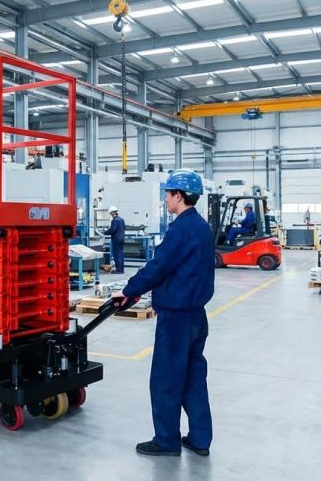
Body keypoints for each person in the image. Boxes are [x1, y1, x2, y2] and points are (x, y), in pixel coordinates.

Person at [111, 169, 214, 457]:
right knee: (194, 376)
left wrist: (129, 289)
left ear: (178, 196)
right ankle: (200, 439)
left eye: (168, 194)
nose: (165, 199)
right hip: (197, 315)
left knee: (166, 378)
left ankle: (167, 440)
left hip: (176, 317)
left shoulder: (180, 229)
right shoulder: (202, 228)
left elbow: (159, 267)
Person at [105, 206, 126, 274]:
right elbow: (123, 228)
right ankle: (121, 269)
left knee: (117, 255)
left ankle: (118, 270)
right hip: (121, 239)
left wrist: (105, 232)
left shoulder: (115, 220)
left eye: (110, 213)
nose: (110, 215)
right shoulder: (121, 219)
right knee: (120, 254)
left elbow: (113, 230)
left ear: (112, 213)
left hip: (116, 239)